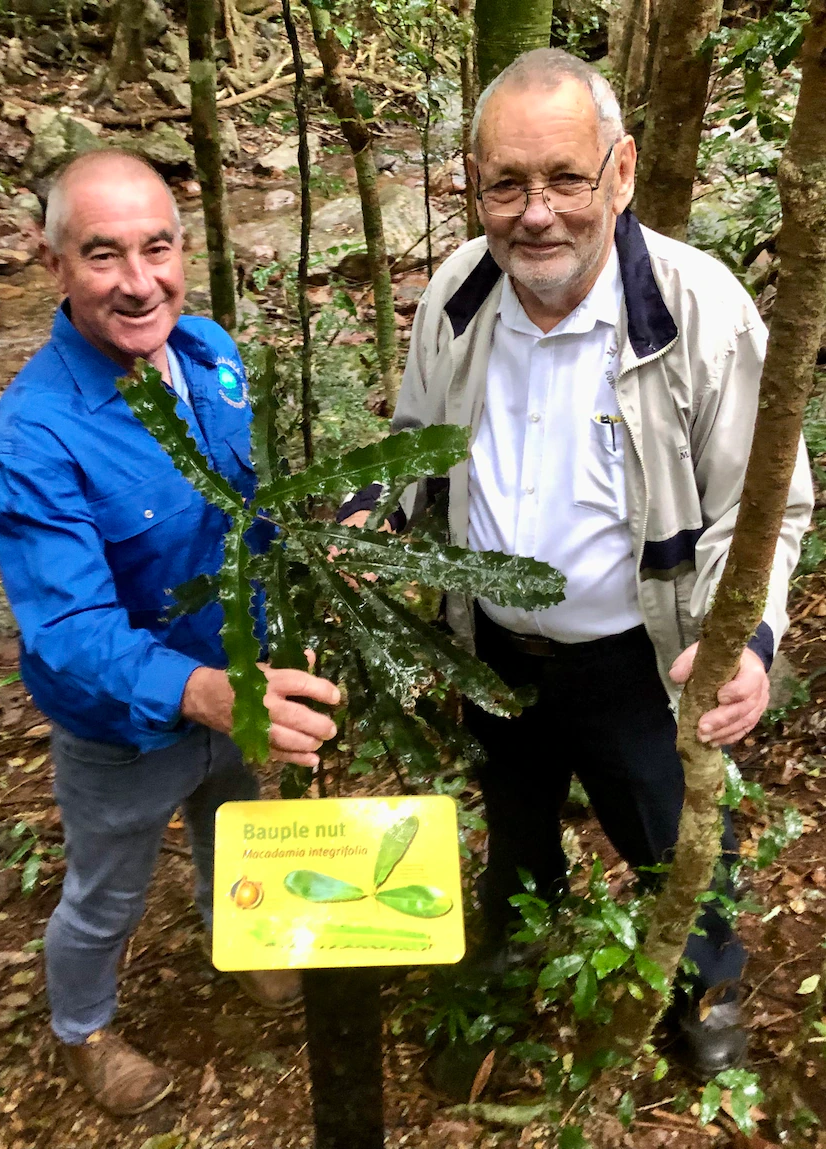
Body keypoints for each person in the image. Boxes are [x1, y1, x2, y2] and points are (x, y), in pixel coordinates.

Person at [338, 49, 813, 1076]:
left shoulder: (701, 309)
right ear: (475, 183)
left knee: (677, 840)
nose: (535, 212)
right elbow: (414, 444)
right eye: (507, 182)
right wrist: (365, 517)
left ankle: (706, 991)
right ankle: (509, 987)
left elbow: (763, 504)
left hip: (640, 660)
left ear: (622, 172)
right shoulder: (458, 299)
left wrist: (752, 639)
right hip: (494, 651)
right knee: (513, 838)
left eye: (564, 177)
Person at [0, 150, 340, 1116]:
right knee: (106, 891)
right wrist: (204, 692)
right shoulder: (34, 436)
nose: (139, 282)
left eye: (158, 248)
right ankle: (82, 1027)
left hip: (239, 675)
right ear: (52, 262)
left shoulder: (210, 351)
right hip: (128, 726)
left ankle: (243, 940)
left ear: (183, 250)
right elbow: (66, 628)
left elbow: (245, 507)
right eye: (104, 255)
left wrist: (312, 554)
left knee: (234, 829)